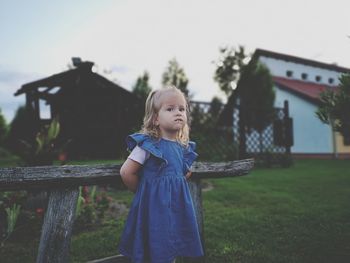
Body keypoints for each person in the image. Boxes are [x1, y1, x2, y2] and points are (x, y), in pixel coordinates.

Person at [118, 86, 204, 263]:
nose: (178, 112)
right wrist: (145, 191)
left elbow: (182, 175)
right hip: (154, 208)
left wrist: (179, 180)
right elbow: (126, 172)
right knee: (155, 245)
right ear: (156, 118)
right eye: (170, 109)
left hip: (177, 208)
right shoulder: (149, 145)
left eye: (182, 109)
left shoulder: (182, 148)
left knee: (172, 246)